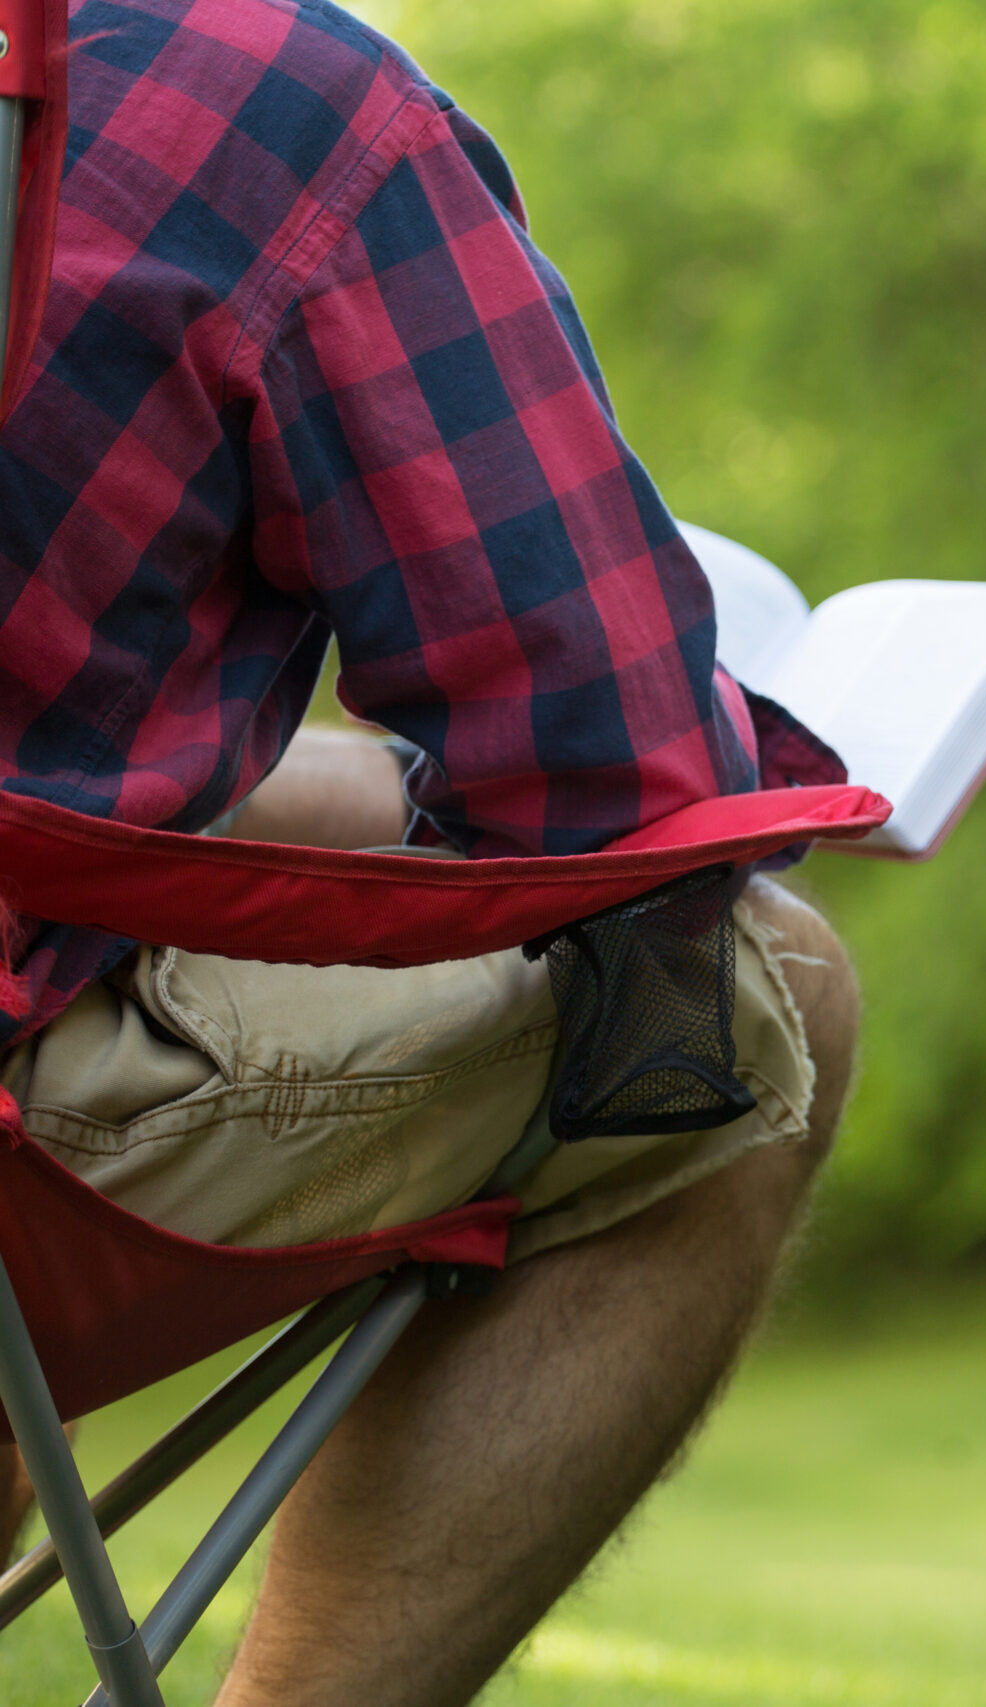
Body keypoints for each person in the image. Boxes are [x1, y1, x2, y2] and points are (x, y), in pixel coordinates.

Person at [0, 2, 858, 1703]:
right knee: (762, 995)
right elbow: (609, 778)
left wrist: (364, 793)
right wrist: (773, 780)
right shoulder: (263, 105)